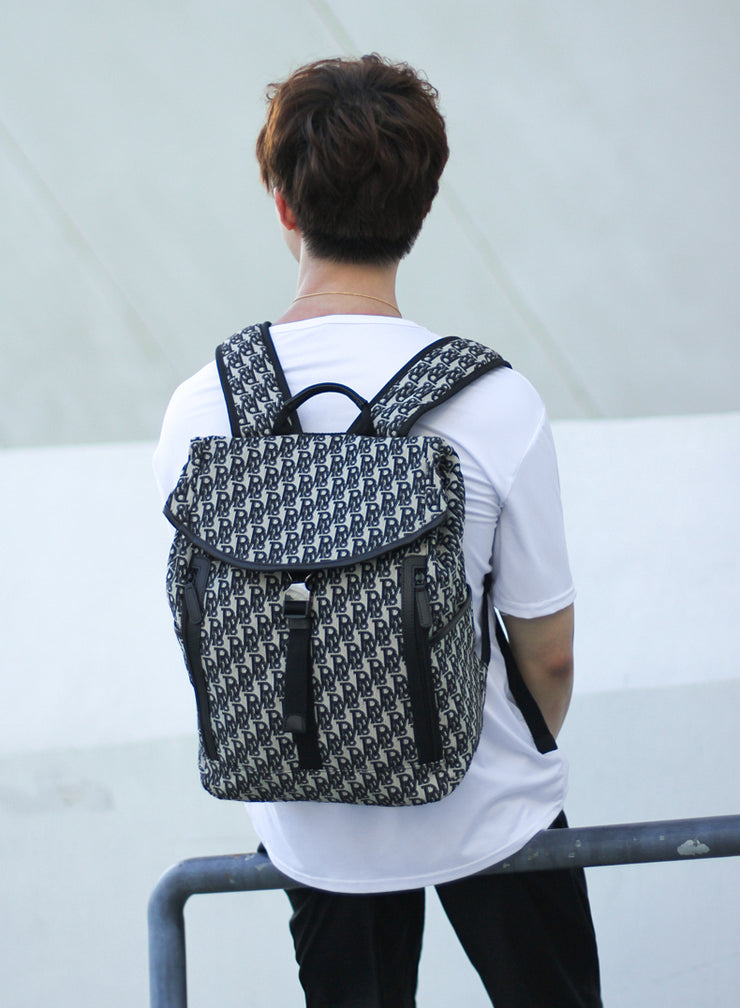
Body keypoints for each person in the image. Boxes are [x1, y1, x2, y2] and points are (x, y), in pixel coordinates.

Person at [153, 54, 601, 1008]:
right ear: (422, 206)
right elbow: (550, 656)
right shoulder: (493, 401)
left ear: (284, 203)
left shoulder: (201, 410)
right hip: (491, 815)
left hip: (313, 832)